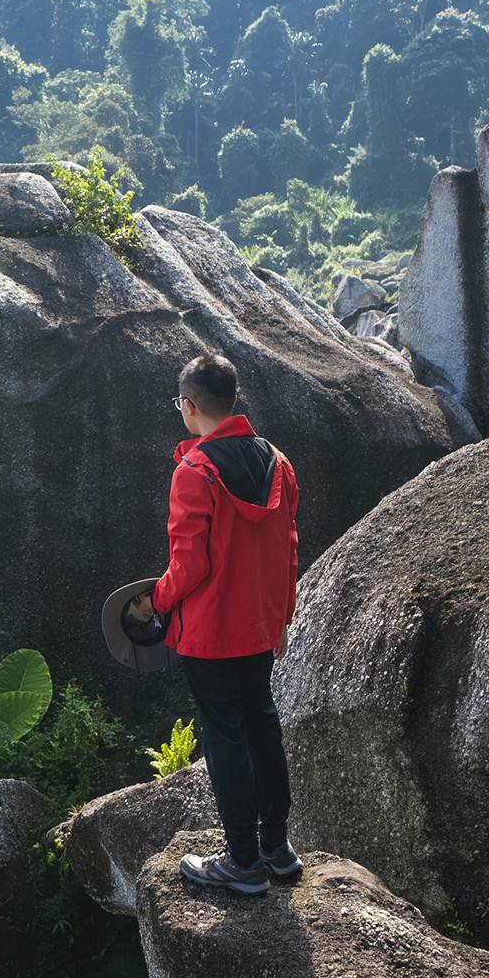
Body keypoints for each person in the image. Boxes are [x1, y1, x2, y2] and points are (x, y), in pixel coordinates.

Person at [147, 352, 301, 896]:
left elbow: (190, 566)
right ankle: (275, 850)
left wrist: (156, 602)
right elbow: (288, 553)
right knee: (263, 728)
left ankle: (241, 864)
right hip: (258, 628)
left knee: (226, 739)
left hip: (209, 635)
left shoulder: (194, 473)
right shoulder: (278, 464)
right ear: (233, 401)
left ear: (190, 408)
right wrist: (279, 620)